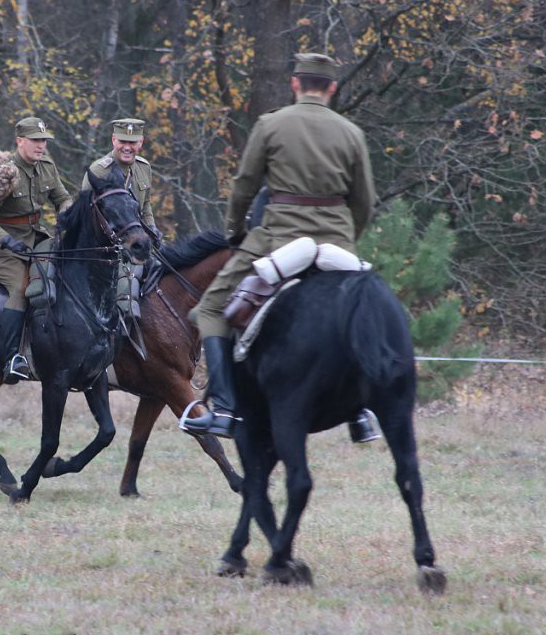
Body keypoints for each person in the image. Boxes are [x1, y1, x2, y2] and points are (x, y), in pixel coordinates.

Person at [181, 52, 380, 441]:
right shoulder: (351, 133)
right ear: (332, 89)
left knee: (210, 309)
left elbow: (245, 185)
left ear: (295, 84)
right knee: (371, 310)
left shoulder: (271, 124)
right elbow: (365, 201)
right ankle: (363, 411)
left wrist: (235, 230)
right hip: (337, 238)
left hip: (277, 237)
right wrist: (344, 240)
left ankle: (221, 408)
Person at [0, 116, 72, 384]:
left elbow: (62, 198)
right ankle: (12, 359)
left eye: (44, 141)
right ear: (20, 141)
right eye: (36, 141)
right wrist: (6, 240)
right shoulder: (5, 173)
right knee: (21, 288)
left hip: (36, 238)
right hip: (1, 246)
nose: (41, 146)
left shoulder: (47, 167)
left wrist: (68, 215)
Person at [81, 118, 159, 242]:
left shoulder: (144, 167)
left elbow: (145, 205)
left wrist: (151, 227)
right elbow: (84, 214)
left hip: (137, 239)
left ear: (141, 142)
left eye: (132, 142)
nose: (127, 147)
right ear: (113, 140)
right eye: (122, 141)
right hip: (104, 246)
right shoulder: (98, 171)